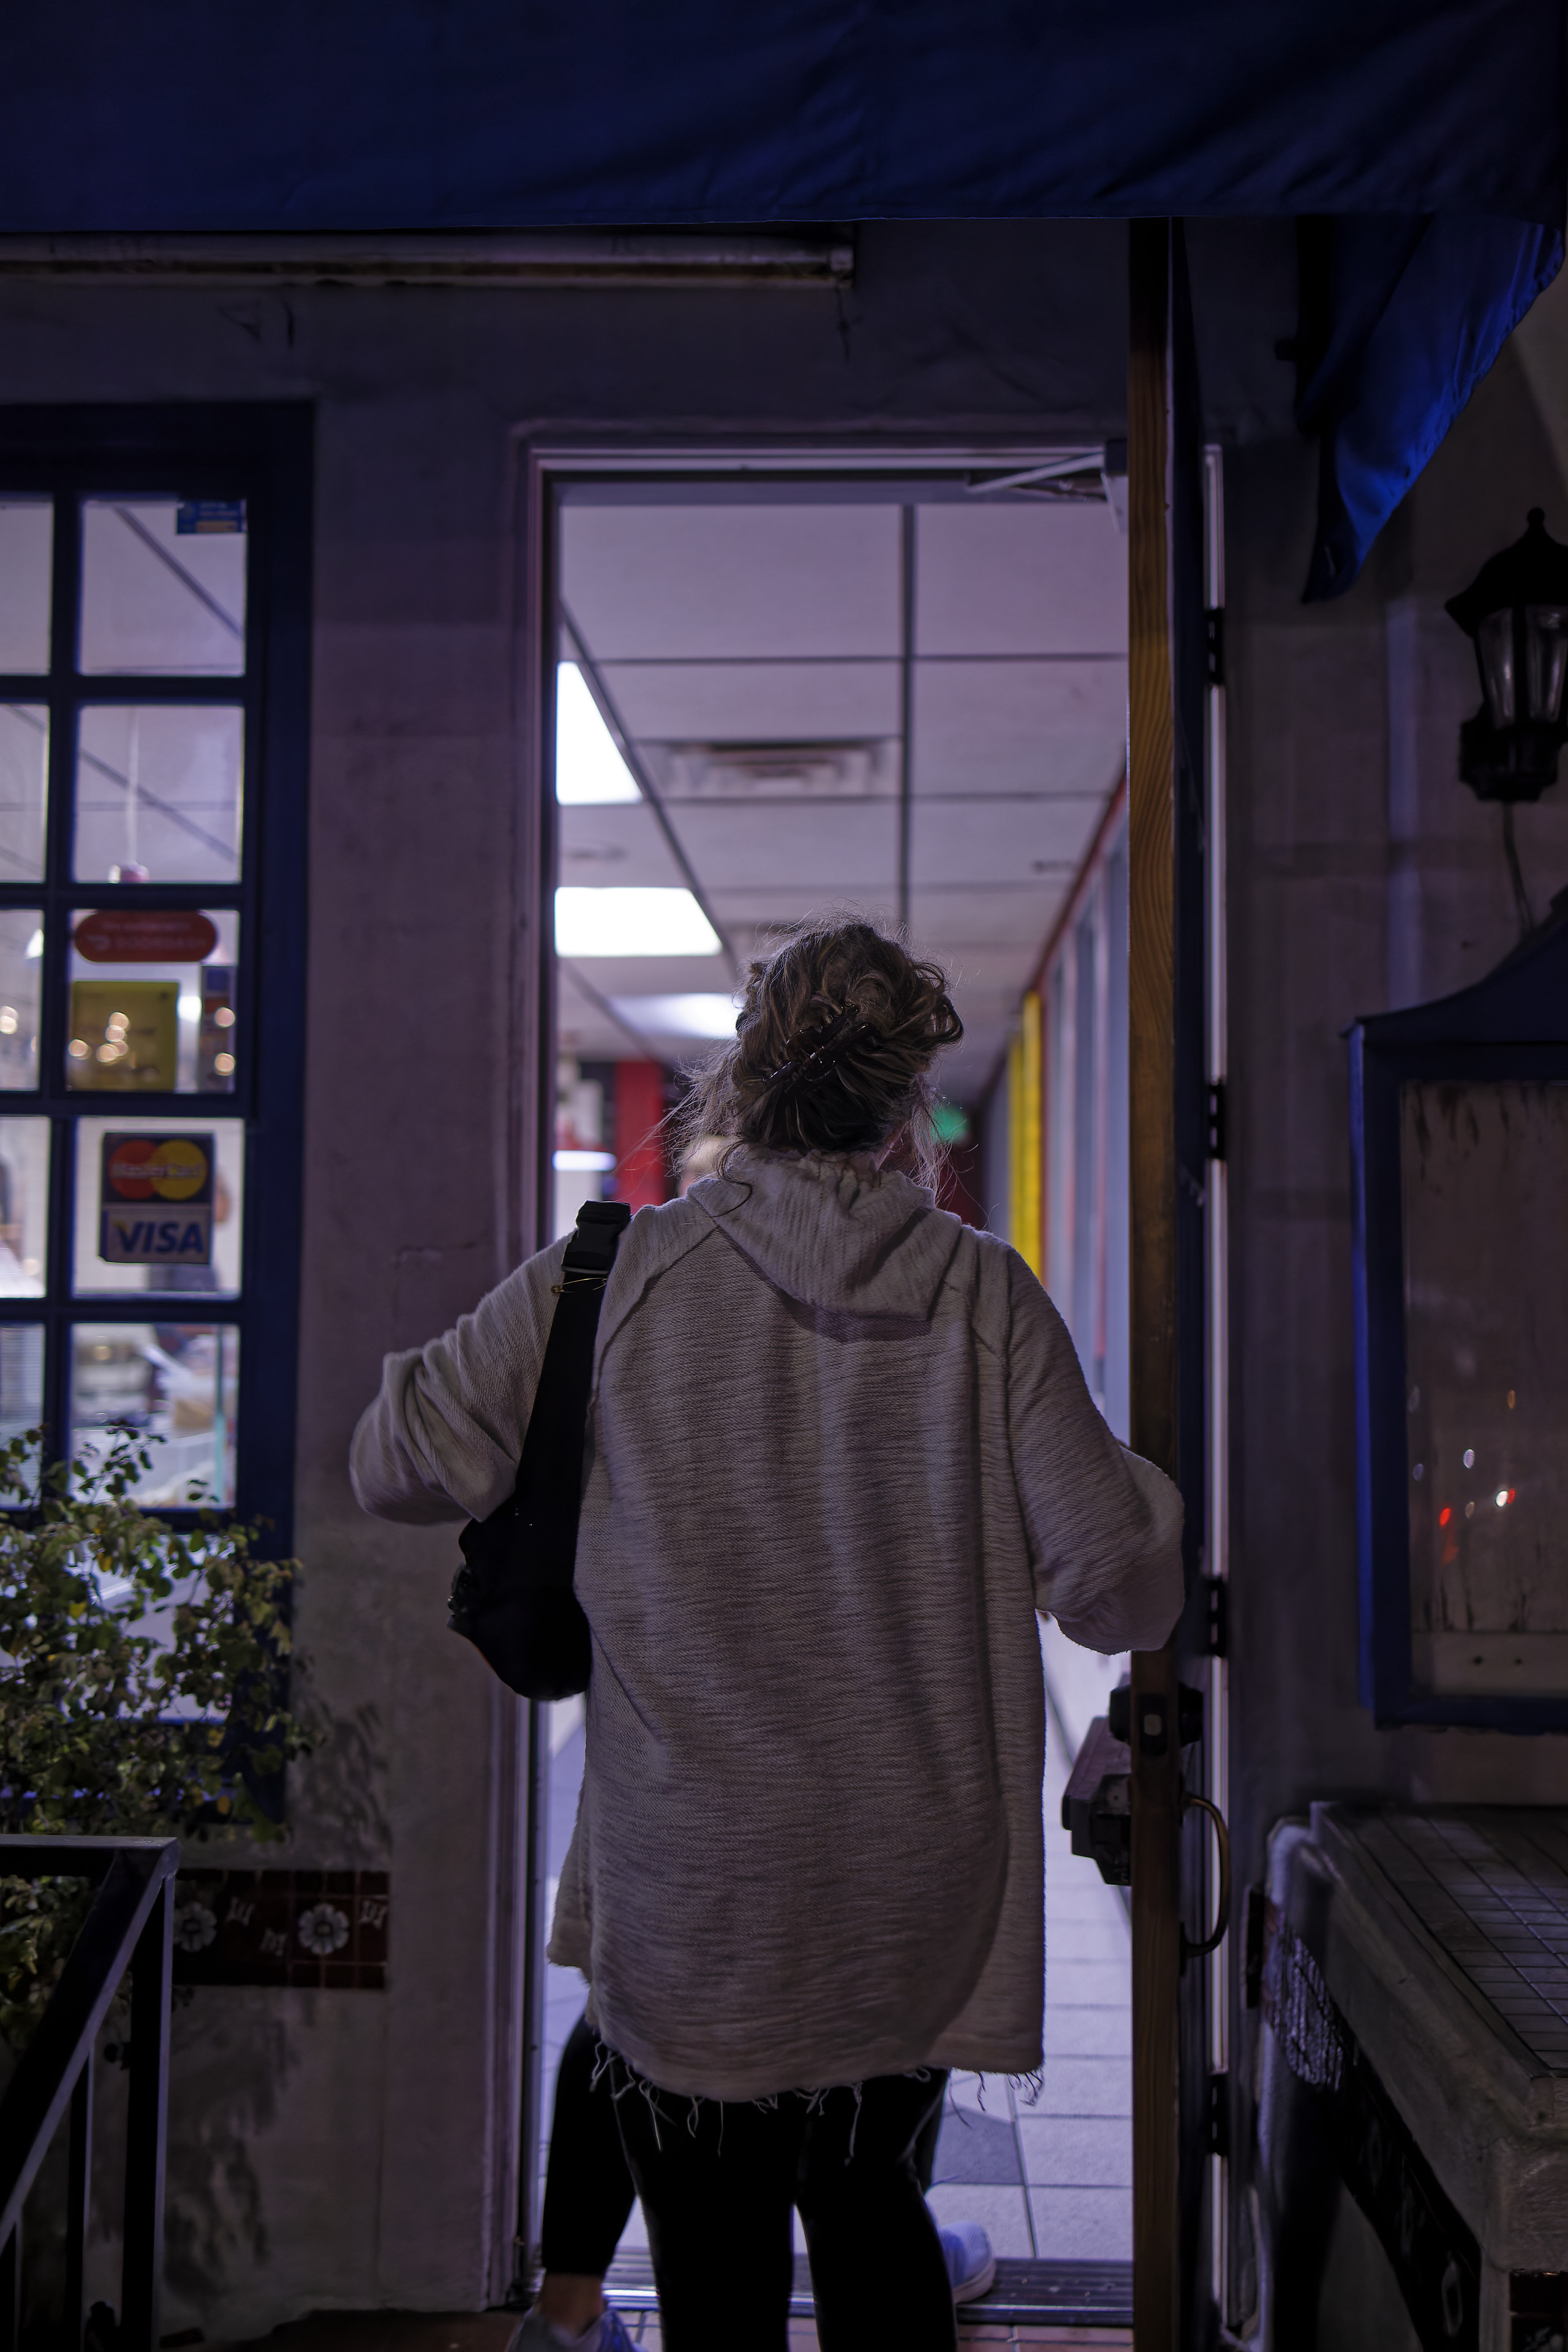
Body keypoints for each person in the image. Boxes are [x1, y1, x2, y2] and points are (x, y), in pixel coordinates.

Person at [351, 918, 1183, 2352]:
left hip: (694, 1893)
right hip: (908, 1887)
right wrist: (1144, 1495)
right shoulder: (983, 1296)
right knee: (868, 2204)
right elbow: (1120, 1586)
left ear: (740, 1084)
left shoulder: (613, 1279)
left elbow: (391, 1459)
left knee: (712, 2265)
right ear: (907, 1107)